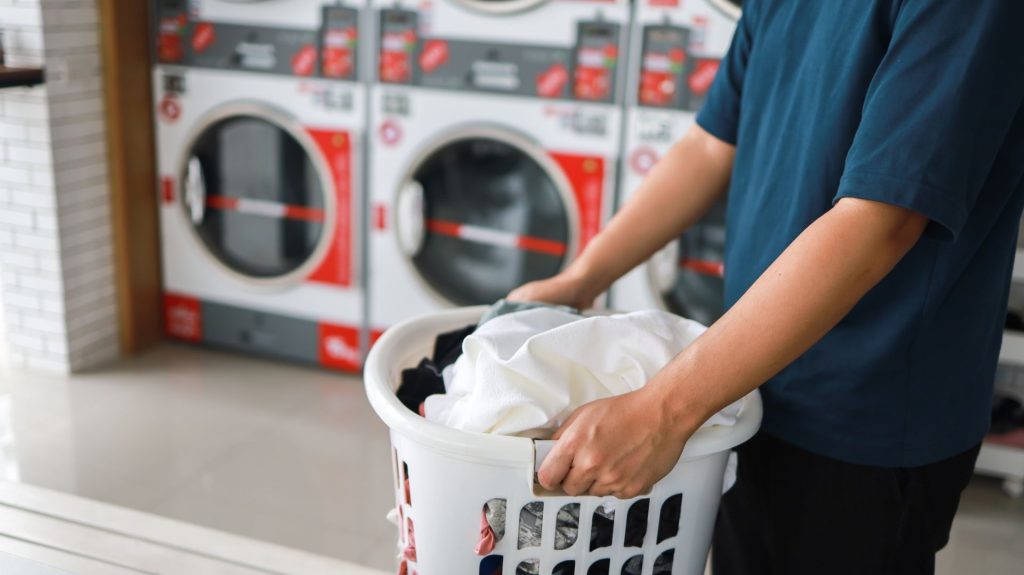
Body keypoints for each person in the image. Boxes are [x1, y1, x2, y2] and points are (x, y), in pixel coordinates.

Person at [507, 1, 1024, 573]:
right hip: (743, 378)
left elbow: (884, 219)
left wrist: (663, 410)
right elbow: (709, 144)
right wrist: (580, 280)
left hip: (866, 416)